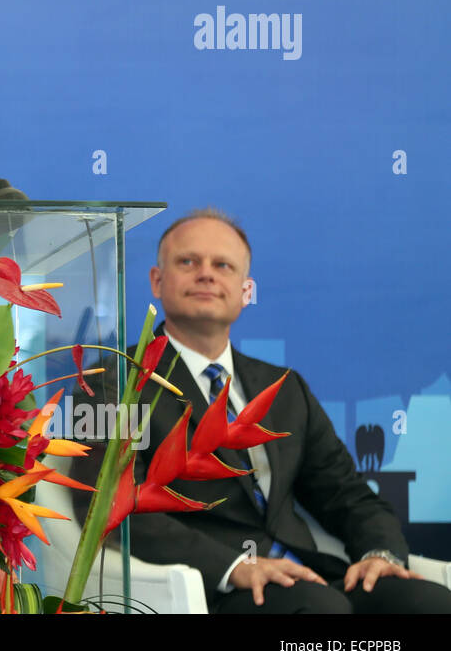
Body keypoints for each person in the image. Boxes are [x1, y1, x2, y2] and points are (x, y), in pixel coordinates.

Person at [127, 208, 451, 613]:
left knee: (428, 602)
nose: (207, 274)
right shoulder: (119, 382)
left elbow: (346, 494)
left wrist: (379, 554)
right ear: (158, 281)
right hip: (209, 588)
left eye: (223, 265)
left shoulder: (283, 388)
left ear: (246, 291)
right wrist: (234, 567)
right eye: (188, 261)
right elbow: (117, 506)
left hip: (309, 574)